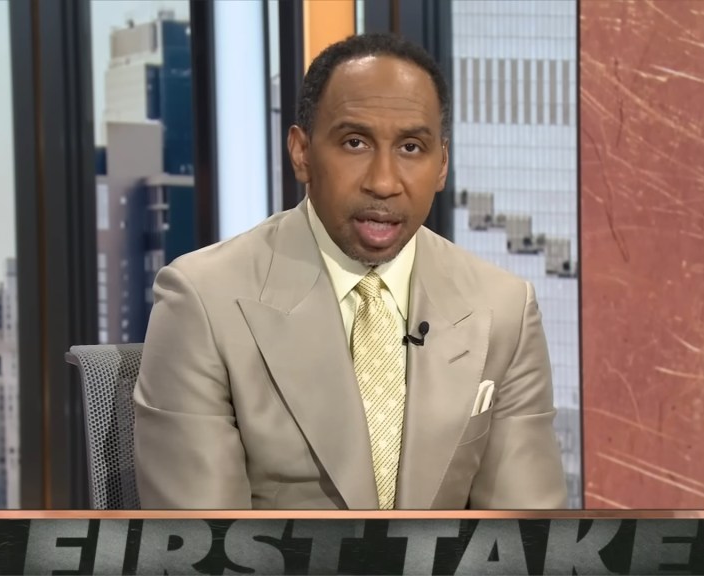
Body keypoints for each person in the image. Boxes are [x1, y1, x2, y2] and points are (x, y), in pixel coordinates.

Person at [133, 33, 567, 509]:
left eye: (411, 148)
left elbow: (524, 540)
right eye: (355, 142)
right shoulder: (202, 301)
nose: (383, 182)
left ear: (441, 165)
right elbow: (205, 548)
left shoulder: (503, 308)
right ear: (302, 152)